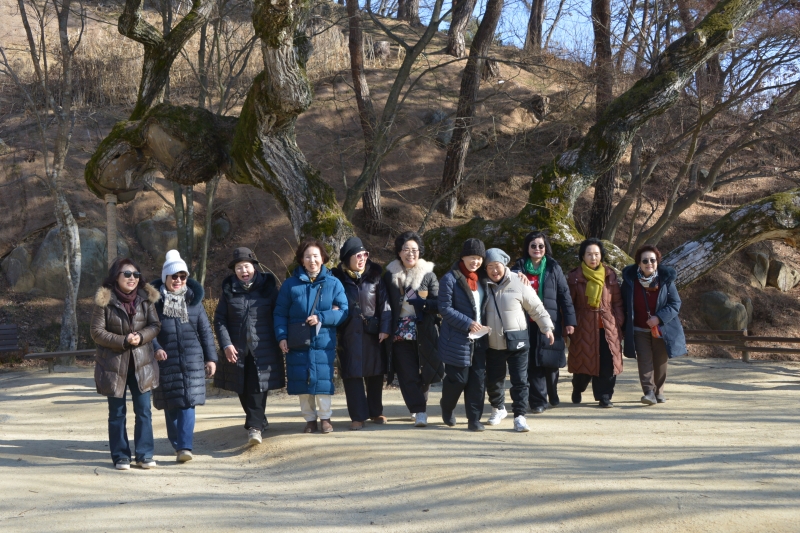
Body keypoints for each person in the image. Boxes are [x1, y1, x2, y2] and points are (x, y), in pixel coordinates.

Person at [91, 257, 161, 470]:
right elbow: (96, 332)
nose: (133, 278)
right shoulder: (105, 300)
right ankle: (121, 456)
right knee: (117, 414)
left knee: (144, 412)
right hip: (113, 366)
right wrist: (123, 340)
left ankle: (144, 455)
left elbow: (155, 325)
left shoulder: (146, 298)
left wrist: (141, 336)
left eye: (136, 274)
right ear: (116, 277)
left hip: (142, 365)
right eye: (127, 274)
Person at [150, 250, 218, 462]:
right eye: (174, 276)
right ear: (165, 278)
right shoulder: (153, 304)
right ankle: (177, 443)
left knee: (188, 403)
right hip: (166, 361)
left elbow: (205, 331)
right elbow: (148, 330)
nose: (178, 280)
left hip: (192, 361)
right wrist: (155, 348)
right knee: (171, 405)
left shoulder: (194, 302)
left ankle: (185, 447)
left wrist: (211, 358)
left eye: (182, 276)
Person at [275, 240, 348, 434]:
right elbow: (280, 313)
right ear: (301, 260)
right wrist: (281, 336)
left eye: (316, 256)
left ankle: (325, 418)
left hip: (323, 341)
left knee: (323, 380)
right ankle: (309, 420)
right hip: (297, 340)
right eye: (307, 256)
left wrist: (321, 317)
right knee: (301, 381)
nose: (312, 260)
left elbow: (344, 311)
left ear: (323, 258)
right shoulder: (290, 285)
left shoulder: (333, 283)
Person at [214, 247, 284, 446]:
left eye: (246, 266)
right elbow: (220, 319)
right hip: (237, 349)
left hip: (263, 348)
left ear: (254, 267)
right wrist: (226, 344)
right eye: (238, 267)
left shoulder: (268, 288)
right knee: (242, 388)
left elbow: (279, 315)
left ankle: (254, 427)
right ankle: (259, 419)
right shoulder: (229, 290)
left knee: (257, 387)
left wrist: (281, 337)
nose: (243, 271)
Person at [483, 248, 555, 432]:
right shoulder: (482, 284)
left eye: (497, 266)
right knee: (493, 380)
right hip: (492, 342)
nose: (494, 270)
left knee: (520, 381)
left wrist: (546, 327)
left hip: (518, 341)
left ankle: (519, 416)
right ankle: (498, 408)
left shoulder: (518, 281)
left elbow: (535, 306)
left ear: (504, 265)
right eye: (490, 267)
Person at [511, 231, 576, 413]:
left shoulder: (553, 268)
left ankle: (552, 392)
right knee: (533, 362)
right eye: (533, 246)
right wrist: (516, 274)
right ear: (527, 248)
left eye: (541, 245)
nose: (537, 249)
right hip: (526, 323)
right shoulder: (518, 268)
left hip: (550, 321)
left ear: (546, 247)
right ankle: (538, 401)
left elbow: (564, 295)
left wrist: (570, 321)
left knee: (551, 362)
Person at [332, 237, 392, 430]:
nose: (362, 259)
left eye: (365, 254)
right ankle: (358, 416)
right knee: (352, 374)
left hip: (372, 333)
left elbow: (385, 304)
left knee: (375, 373)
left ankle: (375, 411)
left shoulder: (375, 277)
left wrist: (385, 328)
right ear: (347, 258)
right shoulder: (336, 279)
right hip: (348, 333)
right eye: (358, 255)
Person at [383, 231, 442, 427]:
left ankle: (419, 406)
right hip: (399, 332)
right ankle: (419, 410)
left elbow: (439, 304)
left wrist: (423, 303)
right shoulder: (390, 275)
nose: (410, 253)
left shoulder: (428, 274)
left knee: (425, 373)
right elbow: (383, 304)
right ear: (399, 252)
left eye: (414, 250)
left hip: (423, 331)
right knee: (407, 373)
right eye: (406, 249)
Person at [621, 245, 687, 405]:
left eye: (652, 260)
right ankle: (648, 392)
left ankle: (659, 391)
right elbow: (622, 304)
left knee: (660, 361)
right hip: (639, 329)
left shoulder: (666, 280)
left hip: (661, 329)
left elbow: (675, 304)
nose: (649, 263)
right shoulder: (630, 281)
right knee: (644, 360)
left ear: (657, 262)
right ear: (639, 263)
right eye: (645, 261)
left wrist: (659, 318)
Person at [438, 238, 490, 431]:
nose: (475, 262)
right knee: (458, 380)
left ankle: (474, 419)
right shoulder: (450, 279)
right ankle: (447, 407)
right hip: (456, 339)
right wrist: (468, 323)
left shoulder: (484, 279)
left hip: (480, 339)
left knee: (477, 381)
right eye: (471, 257)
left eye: (479, 258)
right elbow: (444, 308)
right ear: (463, 257)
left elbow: (503, 275)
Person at [567, 238, 625, 408]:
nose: (593, 258)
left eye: (597, 254)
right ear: (582, 256)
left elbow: (617, 302)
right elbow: (569, 304)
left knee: (608, 363)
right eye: (589, 254)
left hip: (608, 327)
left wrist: (618, 321)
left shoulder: (609, 275)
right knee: (584, 363)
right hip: (583, 326)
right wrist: (571, 324)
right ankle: (578, 387)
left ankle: (604, 396)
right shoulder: (575, 277)